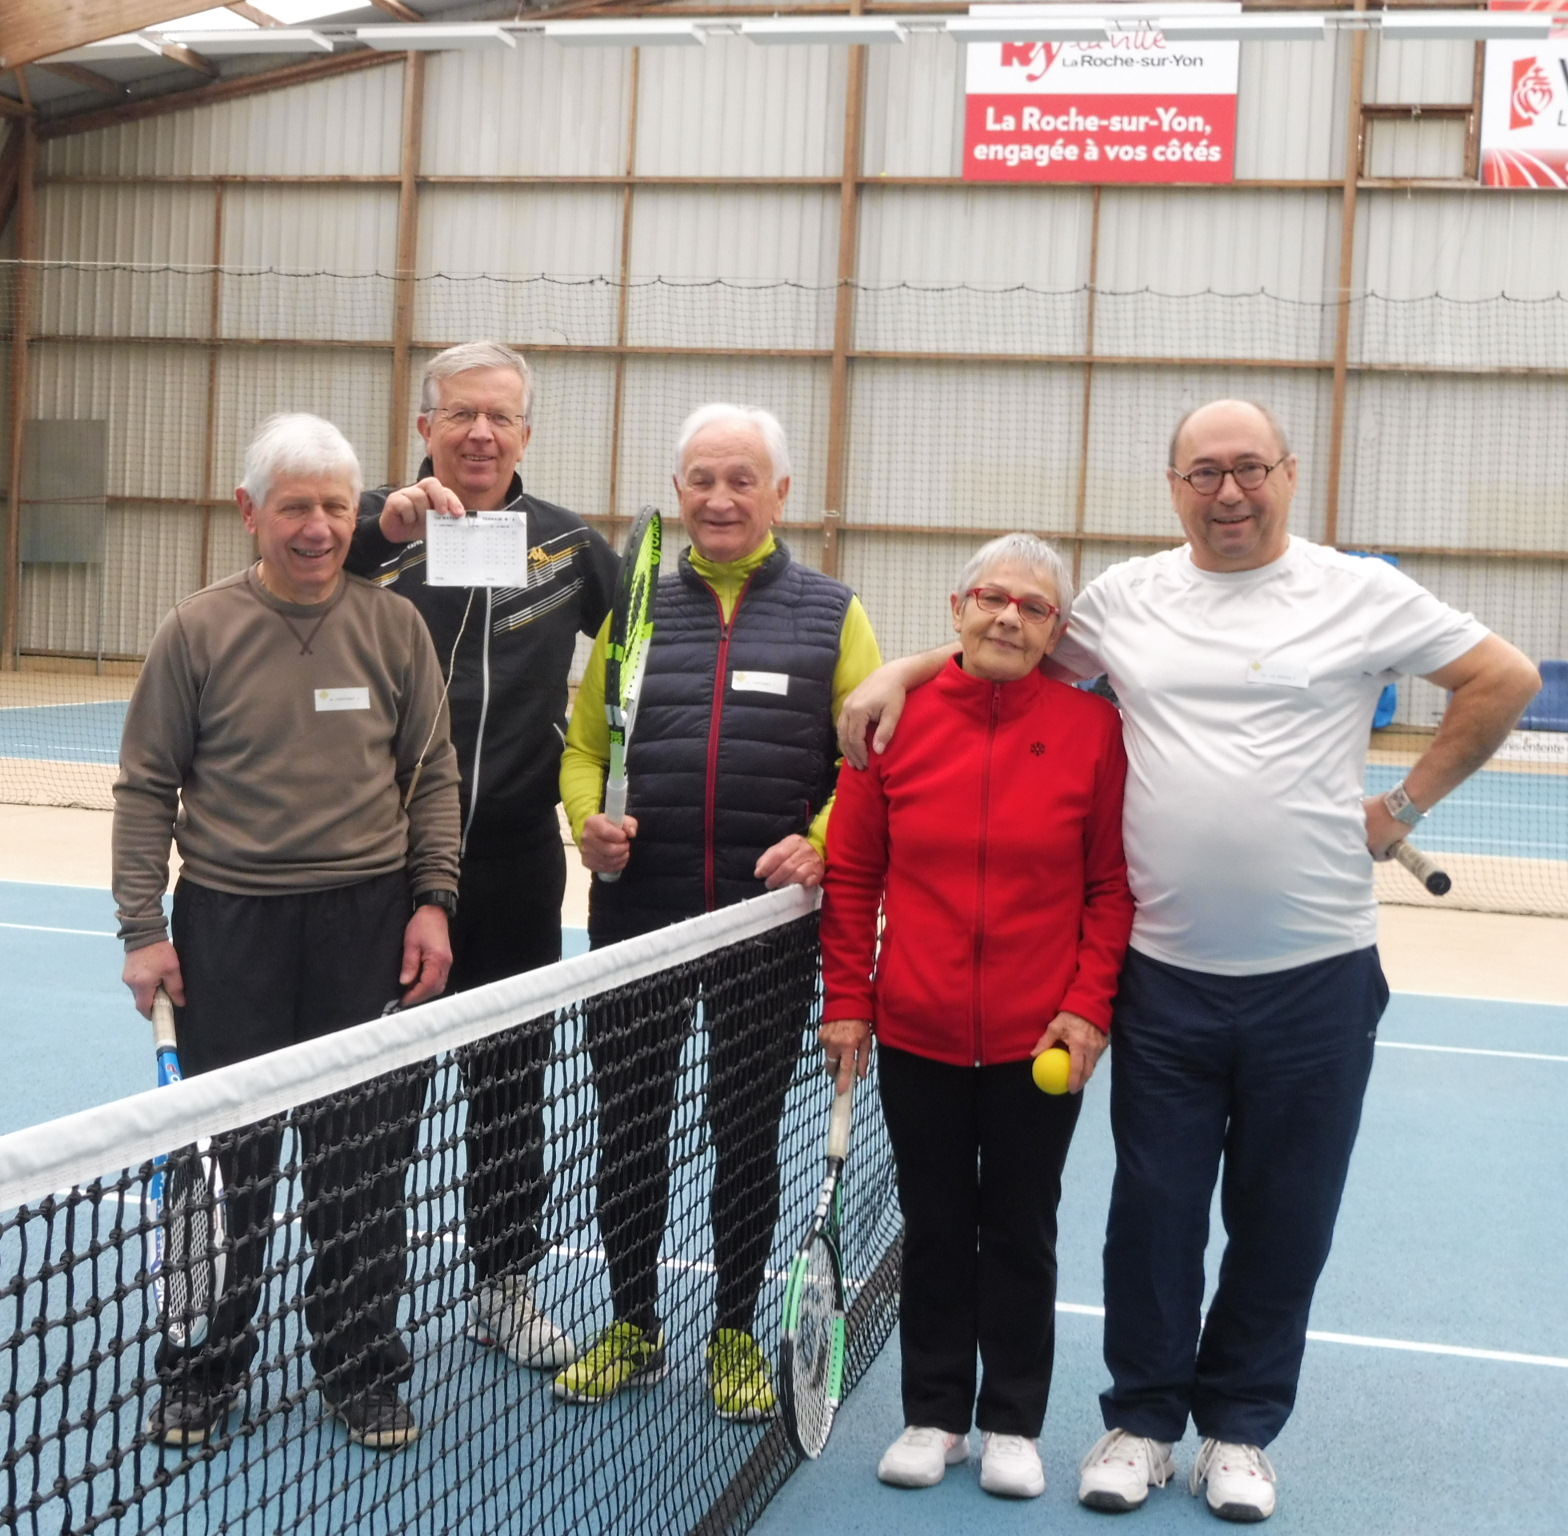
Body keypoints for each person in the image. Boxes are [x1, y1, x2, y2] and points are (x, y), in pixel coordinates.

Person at [838, 400, 1541, 1522]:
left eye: (1248, 469)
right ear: (1171, 485)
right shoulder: (1125, 600)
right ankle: (1141, 1423)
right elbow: (1002, 632)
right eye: (1203, 472)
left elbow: (1498, 677)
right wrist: (903, 672)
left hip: (1317, 972)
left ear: (1286, 475)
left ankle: (1238, 1433)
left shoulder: (1356, 590)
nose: (1228, 492)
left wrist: (1398, 805)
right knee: (1153, 1214)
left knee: (1283, 1213)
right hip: (1161, 976)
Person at [112, 413, 463, 1454]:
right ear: (249, 510)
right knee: (227, 1173)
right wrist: (144, 928)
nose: (316, 528)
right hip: (227, 929)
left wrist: (432, 899)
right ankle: (201, 1370)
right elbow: (144, 790)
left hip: (366, 925)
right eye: (295, 506)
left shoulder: (393, 626)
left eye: (334, 506)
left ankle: (359, 1367)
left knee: (361, 1168)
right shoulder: (196, 629)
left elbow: (432, 774)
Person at [555, 403, 883, 1422]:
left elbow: (871, 767)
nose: (719, 498)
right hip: (637, 919)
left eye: (741, 479)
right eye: (700, 478)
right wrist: (584, 825)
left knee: (743, 1135)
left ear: (779, 494)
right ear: (678, 490)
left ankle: (734, 1332)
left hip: (760, 930)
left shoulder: (833, 613)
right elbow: (580, 750)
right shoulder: (633, 610)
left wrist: (824, 839)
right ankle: (632, 1324)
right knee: (627, 1129)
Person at [818, 532, 1133, 1502]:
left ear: (1055, 630)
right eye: (991, 598)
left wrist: (1084, 1012)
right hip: (914, 1032)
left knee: (1021, 1227)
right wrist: (846, 1004)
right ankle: (934, 1415)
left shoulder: (1091, 733)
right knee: (935, 1221)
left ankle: (1011, 1421)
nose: (1007, 616)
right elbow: (853, 874)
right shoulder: (891, 724)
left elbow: (1110, 888)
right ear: (956, 607)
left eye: (1031, 606)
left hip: (1036, 1043)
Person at [347, 341, 619, 1371]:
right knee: (380, 1085)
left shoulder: (565, 548)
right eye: (459, 414)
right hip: (384, 859)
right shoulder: (373, 531)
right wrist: (384, 518)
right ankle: (361, 1293)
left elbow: (642, 650)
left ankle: (502, 1282)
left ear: (525, 433)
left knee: (509, 1079)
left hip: (513, 859)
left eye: (499, 417)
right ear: (424, 426)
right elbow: (296, 567)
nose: (479, 434)